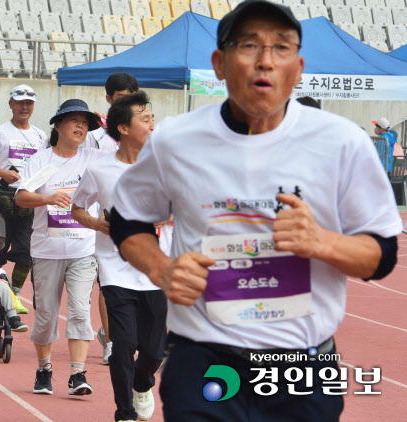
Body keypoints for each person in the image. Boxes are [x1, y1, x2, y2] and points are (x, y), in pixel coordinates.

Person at [109, 2, 401, 420]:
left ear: (298, 67)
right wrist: (160, 268)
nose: (265, 60)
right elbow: (127, 218)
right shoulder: (176, 140)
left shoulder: (341, 142)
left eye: (281, 47)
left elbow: (382, 254)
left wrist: (321, 241)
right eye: (248, 45)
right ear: (220, 63)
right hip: (204, 358)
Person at [72, 92, 169, 422]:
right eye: (146, 119)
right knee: (123, 344)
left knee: (155, 349)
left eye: (153, 118)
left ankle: (142, 384)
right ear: (124, 128)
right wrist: (98, 223)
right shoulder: (100, 170)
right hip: (115, 266)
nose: (153, 124)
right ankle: (124, 412)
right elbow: (77, 208)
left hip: (156, 268)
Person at [15, 99, 105, 396]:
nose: (80, 126)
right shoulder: (42, 161)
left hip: (83, 250)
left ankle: (78, 374)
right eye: (74, 120)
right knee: (46, 316)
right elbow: (21, 197)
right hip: (46, 251)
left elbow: (129, 157)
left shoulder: (93, 157)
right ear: (57, 125)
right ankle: (44, 370)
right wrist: (48, 199)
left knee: (80, 310)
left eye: (85, 122)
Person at [0, 84, 47, 315]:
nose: (24, 107)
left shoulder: (40, 136)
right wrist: (3, 173)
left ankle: (15, 294)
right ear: (11, 104)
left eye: (29, 103)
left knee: (27, 251)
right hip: (0, 198)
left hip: (28, 200)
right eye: (20, 102)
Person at [84, 73, 138, 153]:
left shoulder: (142, 129)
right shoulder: (94, 134)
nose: (128, 102)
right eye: (122, 97)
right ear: (109, 98)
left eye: (132, 97)